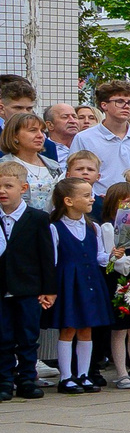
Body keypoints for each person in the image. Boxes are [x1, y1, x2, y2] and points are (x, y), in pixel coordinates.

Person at [48, 177, 108, 392]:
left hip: (90, 280)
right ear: (69, 201)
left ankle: (83, 374)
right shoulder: (55, 228)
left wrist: (113, 256)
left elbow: (100, 256)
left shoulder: (94, 228)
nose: (92, 199)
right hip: (69, 282)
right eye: (86, 195)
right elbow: (53, 261)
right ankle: (66, 376)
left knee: (86, 329)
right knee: (69, 328)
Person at [0, 163, 52, 398]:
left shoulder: (37, 218)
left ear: (23, 188)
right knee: (3, 336)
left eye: (8, 186)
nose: (2, 191)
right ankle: (4, 380)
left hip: (28, 287)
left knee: (28, 336)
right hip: (2, 287)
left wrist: (49, 288)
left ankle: (27, 379)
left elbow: (46, 256)